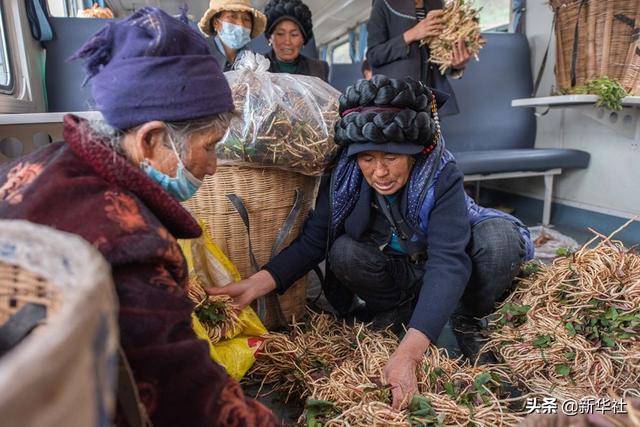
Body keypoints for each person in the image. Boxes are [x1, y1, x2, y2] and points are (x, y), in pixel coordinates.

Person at [0, 8, 278, 427]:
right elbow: (190, 397)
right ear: (151, 140)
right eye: (210, 145)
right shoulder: (130, 245)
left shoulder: (46, 163)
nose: (215, 166)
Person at [209, 75, 534, 410]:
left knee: (498, 243)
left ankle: (467, 318)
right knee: (344, 252)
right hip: (403, 268)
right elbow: (313, 242)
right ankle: (398, 311)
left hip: (445, 261)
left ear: (413, 153)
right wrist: (254, 285)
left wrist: (409, 355)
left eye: (391, 157)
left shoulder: (440, 173)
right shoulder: (344, 176)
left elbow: (449, 261)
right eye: (368, 158)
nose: (380, 172)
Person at [366, 0, 473, 115]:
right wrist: (412, 34)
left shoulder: (437, 5)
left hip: (427, 101)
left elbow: (435, 57)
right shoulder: (383, 4)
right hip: (395, 101)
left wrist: (455, 65)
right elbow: (373, 55)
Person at [263, 0, 329, 82]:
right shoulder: (256, 67)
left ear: (303, 39)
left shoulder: (319, 69)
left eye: (294, 34)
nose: (287, 42)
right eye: (280, 34)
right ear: (270, 38)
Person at [198, 0, 267, 71]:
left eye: (246, 19)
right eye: (232, 16)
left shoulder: (256, 62)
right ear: (216, 23)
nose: (240, 24)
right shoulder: (198, 54)